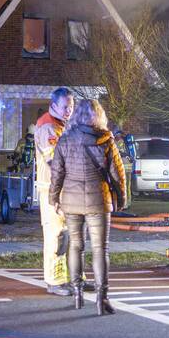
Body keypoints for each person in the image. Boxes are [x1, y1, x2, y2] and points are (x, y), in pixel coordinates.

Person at [49, 99, 127, 316]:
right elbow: (118, 174)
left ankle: (77, 294)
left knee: (76, 245)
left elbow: (57, 173)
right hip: (99, 202)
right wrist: (121, 199)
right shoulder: (106, 140)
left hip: (71, 203)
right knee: (101, 249)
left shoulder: (64, 140)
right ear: (99, 116)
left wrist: (53, 197)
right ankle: (102, 299)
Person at [34, 87, 75, 296]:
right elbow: (54, 162)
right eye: (65, 106)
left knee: (70, 235)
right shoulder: (48, 127)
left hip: (65, 188)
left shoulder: (63, 126)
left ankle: (72, 277)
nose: (69, 110)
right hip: (52, 189)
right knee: (56, 235)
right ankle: (55, 281)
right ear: (54, 105)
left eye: (71, 106)